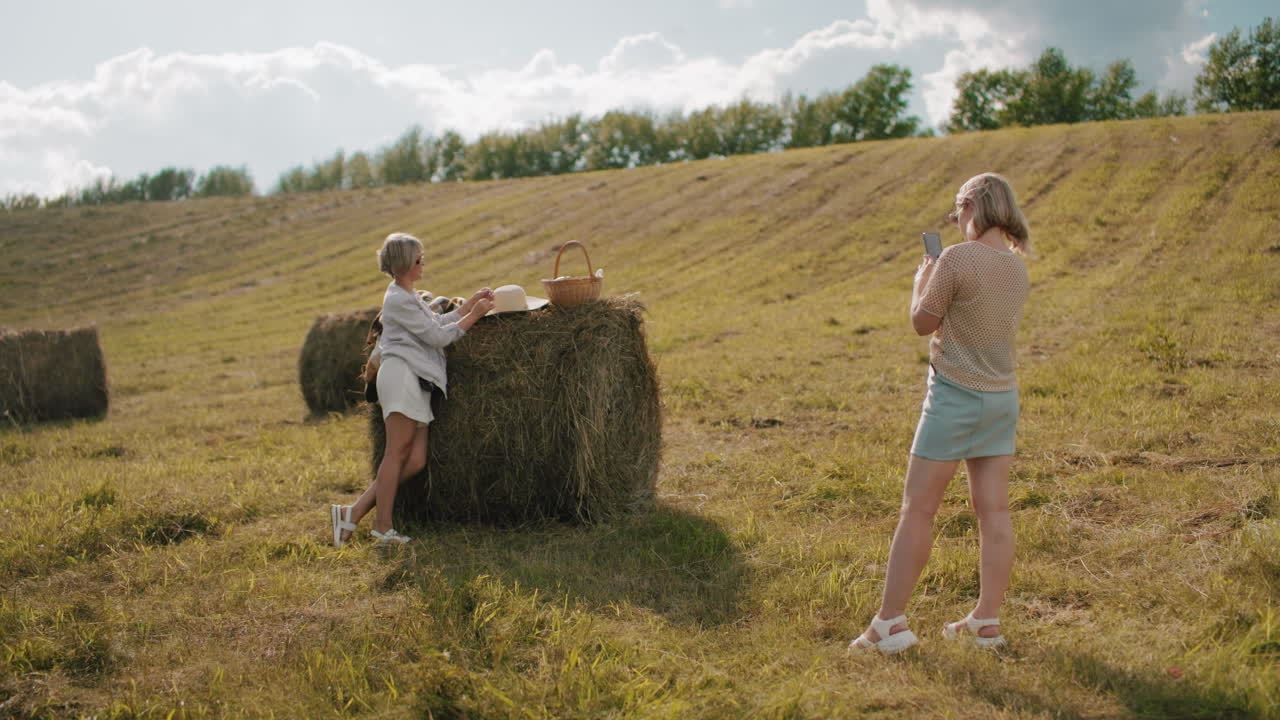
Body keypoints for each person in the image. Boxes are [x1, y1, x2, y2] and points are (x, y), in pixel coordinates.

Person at [850, 173, 1030, 653]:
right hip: (1001, 398)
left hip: (953, 395)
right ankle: (985, 622)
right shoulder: (1016, 267)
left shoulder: (954, 258)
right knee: (994, 512)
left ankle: (889, 624)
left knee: (918, 510)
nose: (957, 221)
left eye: (958, 211)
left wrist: (920, 282)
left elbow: (921, 322)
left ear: (971, 204)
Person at [330, 232, 494, 547]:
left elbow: (437, 322)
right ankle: (383, 528)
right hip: (402, 375)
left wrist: (470, 303)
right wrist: (476, 315)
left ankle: (352, 512)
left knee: (416, 460)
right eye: (419, 259)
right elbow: (439, 338)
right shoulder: (397, 299)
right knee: (396, 453)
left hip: (417, 379)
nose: (423, 264)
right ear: (406, 263)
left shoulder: (409, 295)